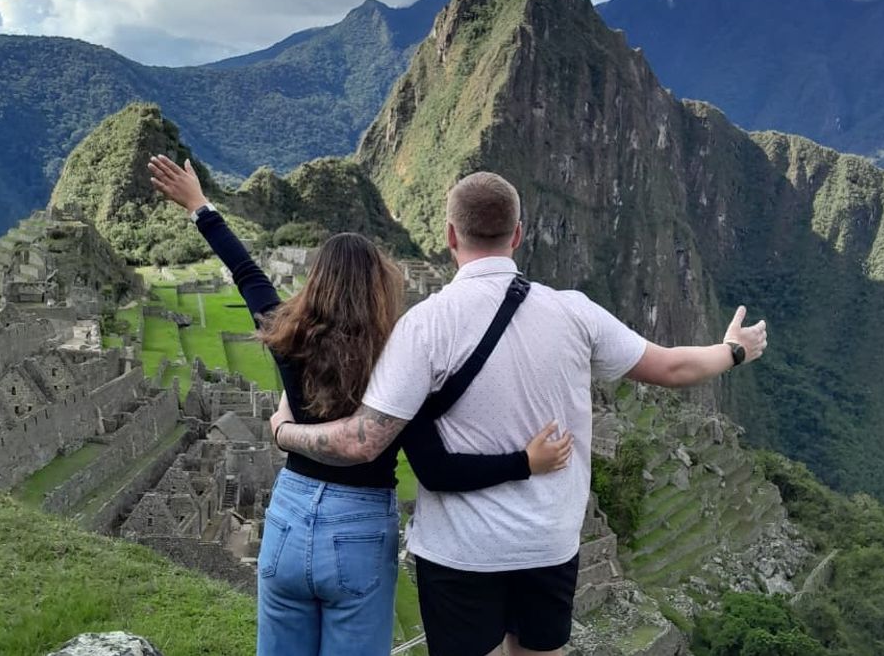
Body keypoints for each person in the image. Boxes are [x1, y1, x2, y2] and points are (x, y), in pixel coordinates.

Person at [270, 171, 768, 656]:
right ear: (519, 235)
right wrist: (733, 351)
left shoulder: (424, 326)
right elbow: (673, 366)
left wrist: (286, 433)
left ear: (449, 235)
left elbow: (362, 441)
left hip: (460, 553)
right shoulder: (575, 312)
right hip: (546, 545)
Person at [147, 155, 574, 656]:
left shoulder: (286, 333)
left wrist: (199, 205)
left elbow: (245, 270)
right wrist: (524, 460)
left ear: (315, 282)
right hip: (358, 530)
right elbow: (434, 459)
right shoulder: (400, 356)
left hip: (288, 515)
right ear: (379, 286)